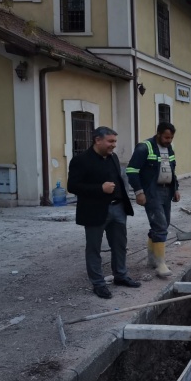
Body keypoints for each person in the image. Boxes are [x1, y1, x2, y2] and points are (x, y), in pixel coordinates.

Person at [68, 126, 140, 299]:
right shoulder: (81, 160)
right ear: (97, 140)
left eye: (115, 141)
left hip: (117, 209)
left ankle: (120, 276)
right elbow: (73, 186)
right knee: (94, 248)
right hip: (94, 211)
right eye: (110, 141)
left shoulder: (113, 157)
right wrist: (100, 188)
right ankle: (98, 284)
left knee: (120, 245)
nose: (114, 145)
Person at [126, 122, 180, 278]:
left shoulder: (169, 147)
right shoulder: (144, 148)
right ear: (158, 134)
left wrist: (176, 188)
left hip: (167, 190)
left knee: (163, 224)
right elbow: (131, 170)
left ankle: (152, 260)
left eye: (171, 137)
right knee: (160, 226)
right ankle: (160, 264)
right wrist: (139, 192)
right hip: (151, 191)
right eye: (166, 137)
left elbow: (172, 169)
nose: (169, 140)